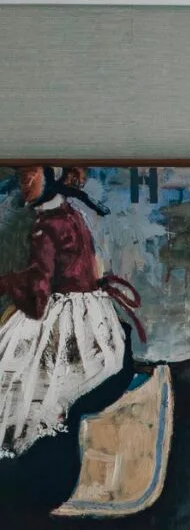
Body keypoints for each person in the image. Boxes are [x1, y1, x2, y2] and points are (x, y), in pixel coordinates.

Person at [0, 165, 143, 458]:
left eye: (31, 176)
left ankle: (19, 450)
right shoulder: (71, 216)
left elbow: (38, 301)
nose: (24, 183)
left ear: (50, 180)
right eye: (23, 176)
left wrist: (8, 284)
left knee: (11, 373)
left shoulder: (45, 229)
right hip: (95, 313)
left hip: (67, 319)